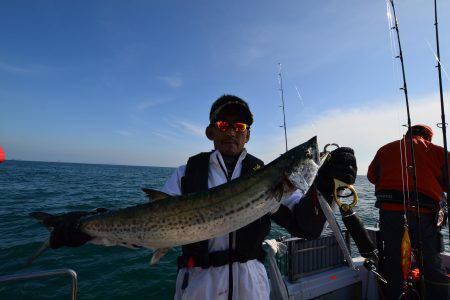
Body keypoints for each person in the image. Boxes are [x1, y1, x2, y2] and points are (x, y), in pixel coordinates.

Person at [48, 94, 357, 300]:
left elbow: (306, 227)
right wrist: (88, 227)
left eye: (240, 126)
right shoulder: (188, 172)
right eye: (224, 125)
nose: (232, 132)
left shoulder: (268, 175)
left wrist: (328, 185)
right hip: (197, 285)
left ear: (248, 134)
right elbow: (145, 227)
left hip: (251, 282)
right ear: (210, 131)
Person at [367, 124, 449, 299]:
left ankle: (395, 295)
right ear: (428, 137)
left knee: (394, 262)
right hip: (425, 216)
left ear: (407, 134)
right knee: (431, 262)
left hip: (390, 215)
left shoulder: (384, 149)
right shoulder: (438, 151)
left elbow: (372, 177)